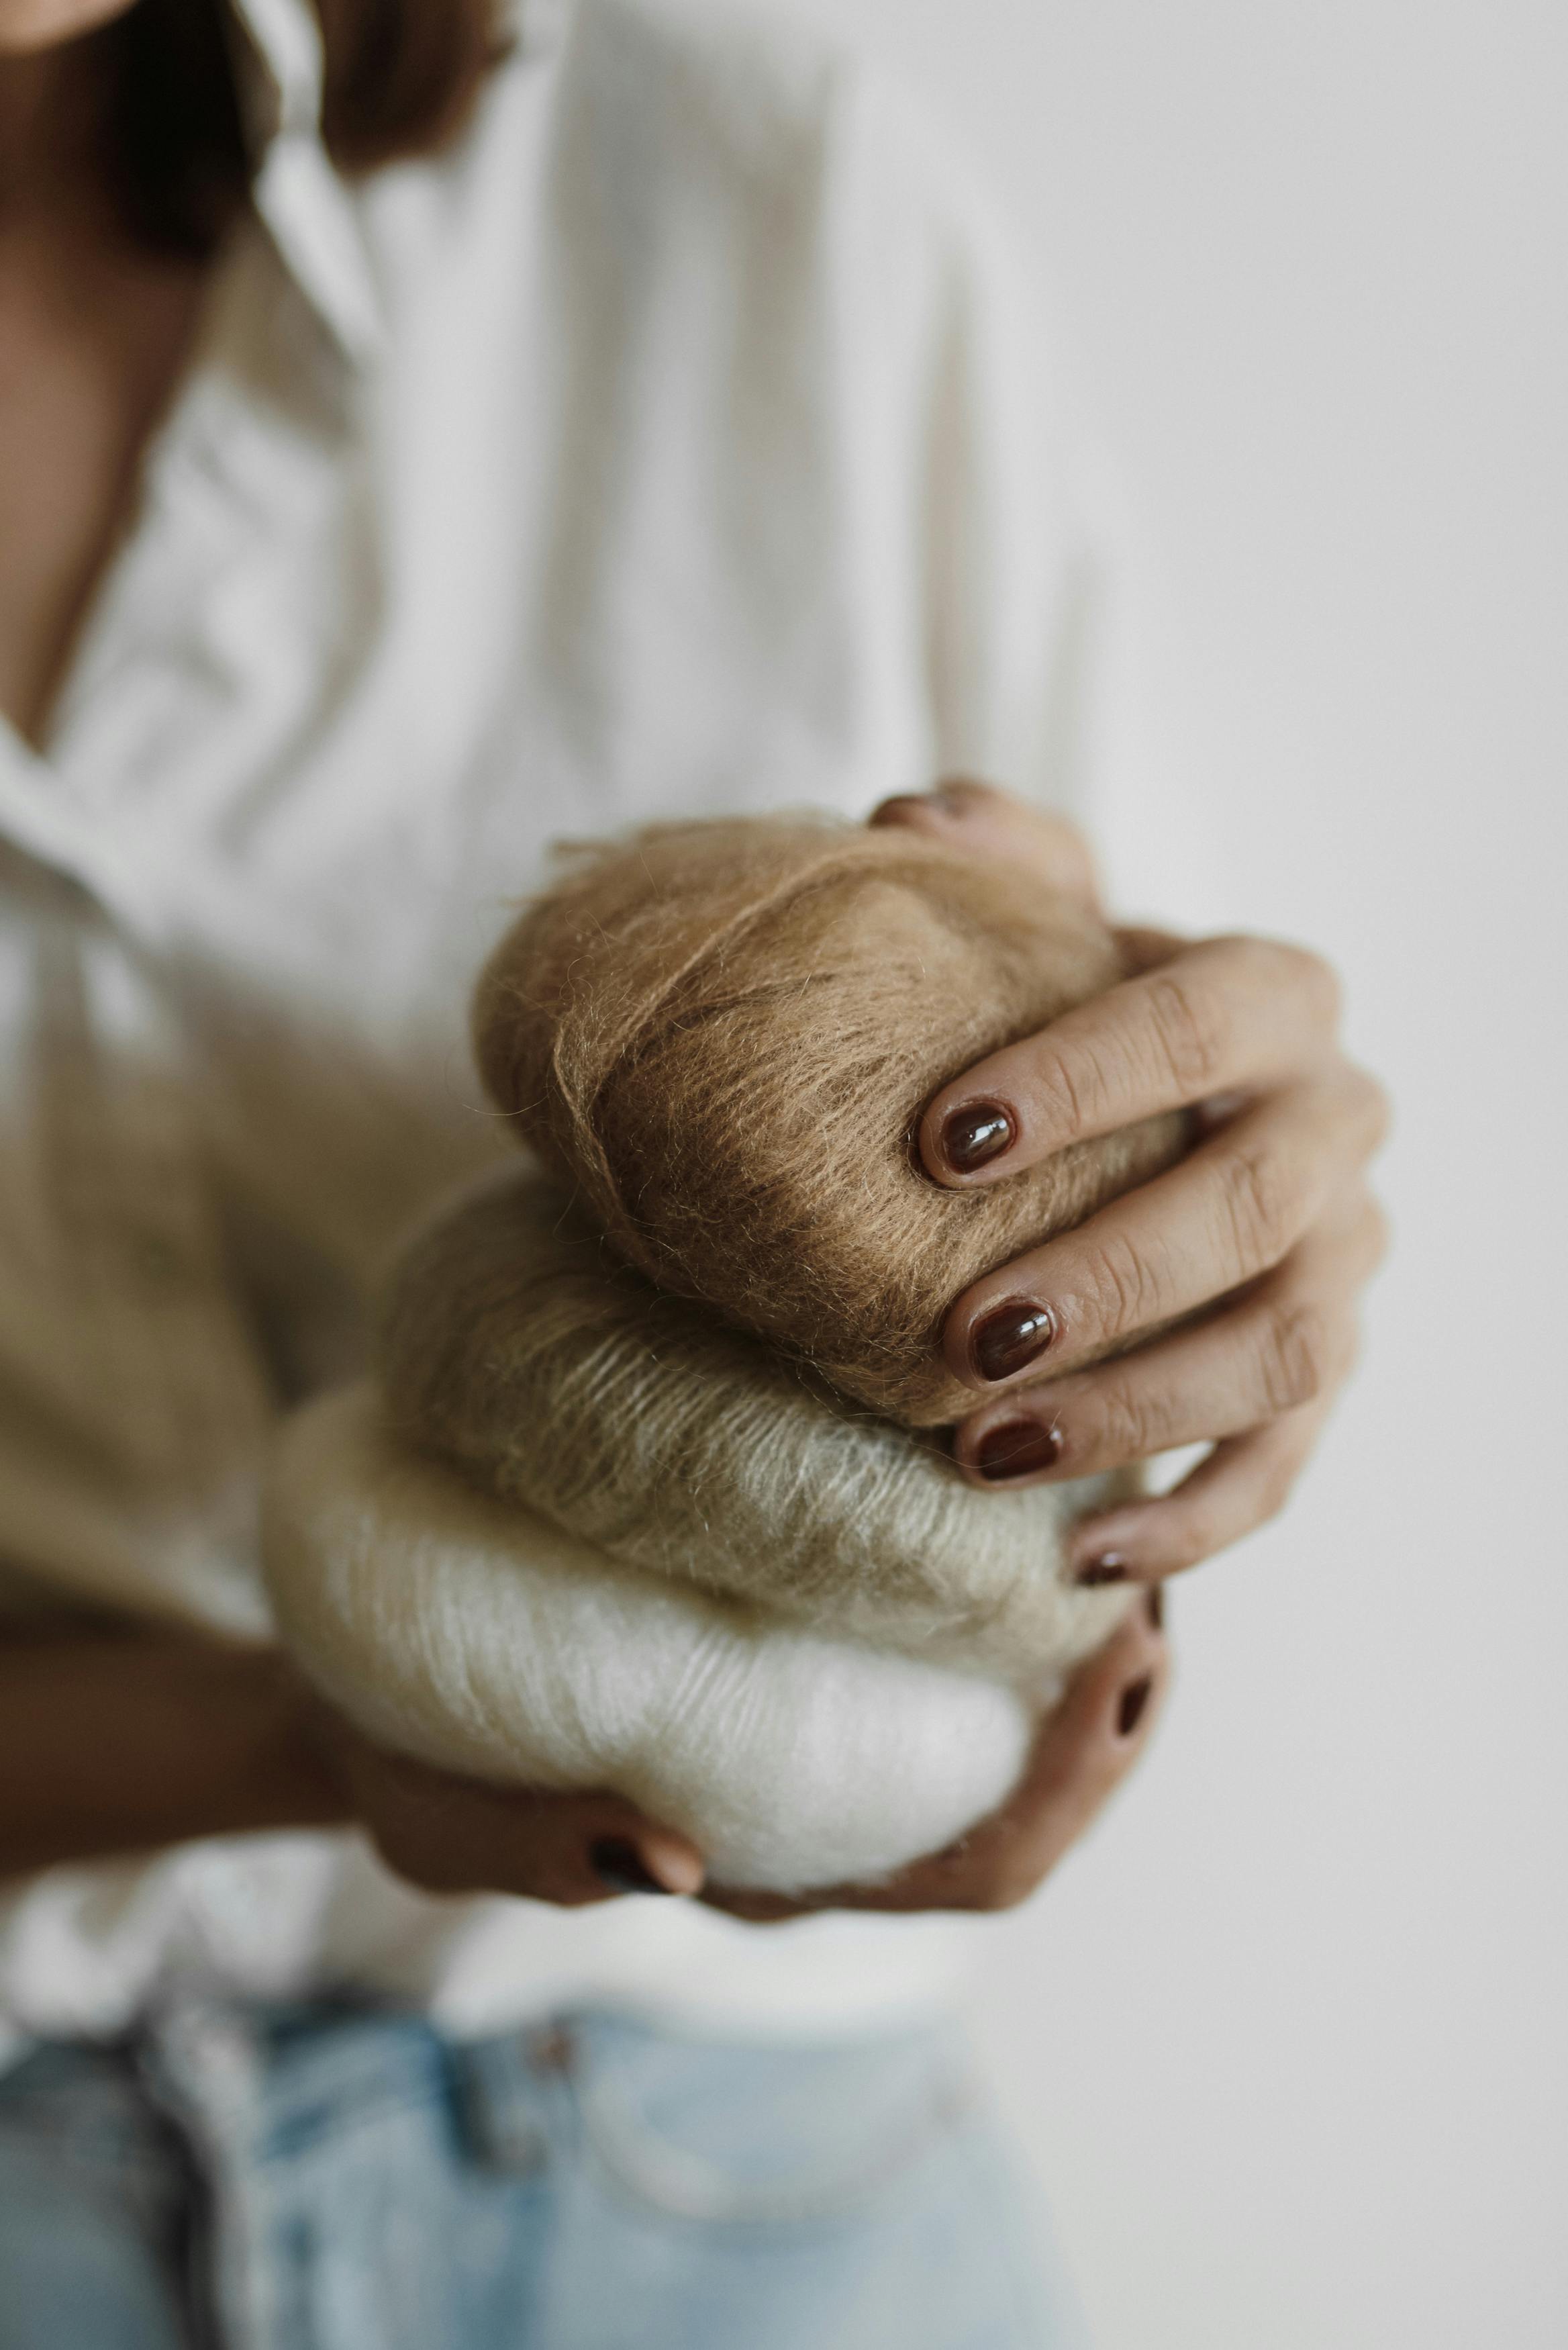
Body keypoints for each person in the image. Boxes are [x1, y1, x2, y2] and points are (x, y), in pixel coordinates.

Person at [0, 0, 1388, 2341]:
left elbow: (1162, 1221)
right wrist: (315, 1742)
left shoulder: (758, 200)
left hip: (753, 2214)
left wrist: (1190, 1148)